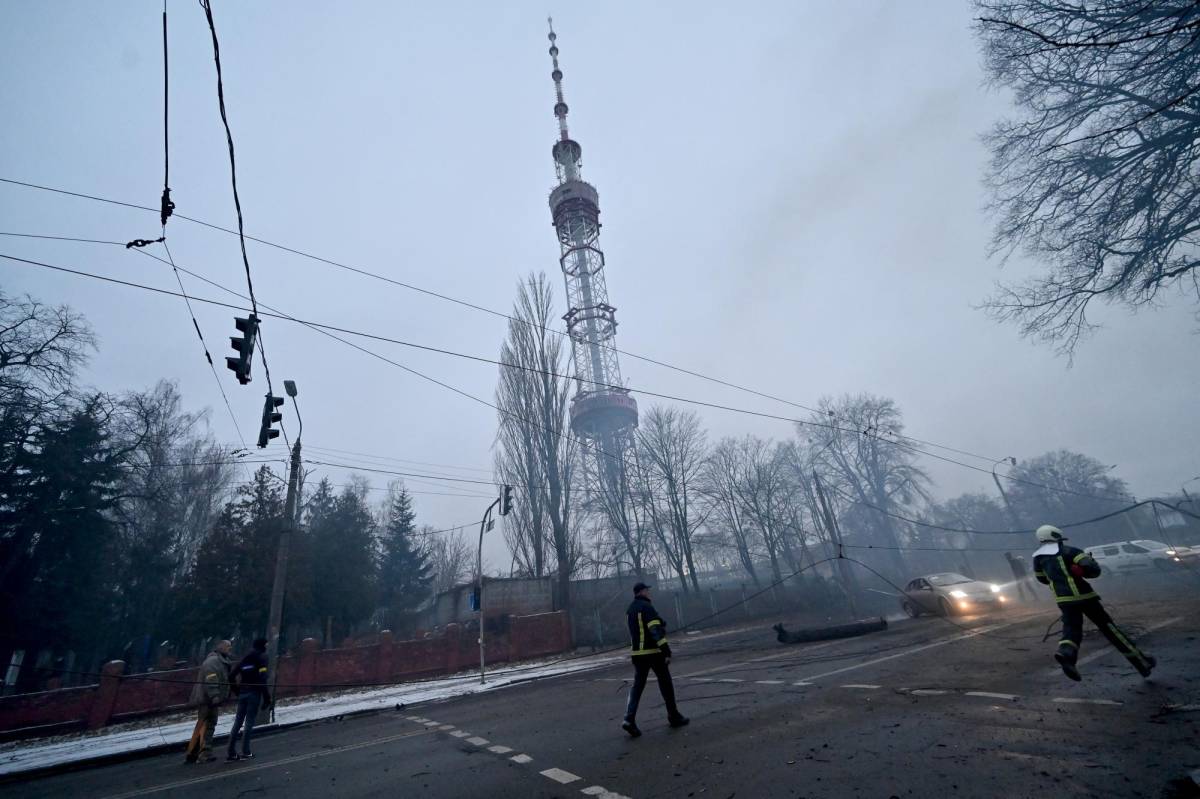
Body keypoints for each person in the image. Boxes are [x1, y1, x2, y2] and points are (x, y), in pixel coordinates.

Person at [1032, 525, 1156, 682]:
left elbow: (1041, 579)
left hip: (1064, 600)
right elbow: (1093, 570)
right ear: (1057, 536)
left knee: (1071, 629)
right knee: (1110, 629)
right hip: (1085, 597)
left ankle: (1067, 654)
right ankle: (1142, 662)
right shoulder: (1071, 551)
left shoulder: (1038, 558)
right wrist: (1082, 570)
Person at [622, 582, 688, 737]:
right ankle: (674, 716)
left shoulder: (630, 609)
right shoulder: (647, 607)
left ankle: (628, 719)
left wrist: (659, 622)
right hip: (652, 653)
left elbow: (640, 630)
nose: (649, 593)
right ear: (642, 592)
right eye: (647, 590)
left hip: (638, 654)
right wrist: (666, 650)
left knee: (637, 687)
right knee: (665, 682)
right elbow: (654, 631)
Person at [184, 640, 233, 764]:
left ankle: (197, 753)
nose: (229, 649)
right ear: (220, 647)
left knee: (207, 725)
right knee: (206, 725)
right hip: (207, 700)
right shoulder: (213, 662)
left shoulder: (219, 661)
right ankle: (200, 753)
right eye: (227, 647)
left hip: (210, 700)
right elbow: (211, 680)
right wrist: (215, 696)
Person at [227, 637, 273, 762]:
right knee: (249, 722)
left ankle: (231, 752)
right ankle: (245, 751)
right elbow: (262, 679)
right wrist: (267, 698)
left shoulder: (245, 658)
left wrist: (237, 690)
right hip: (254, 693)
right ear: (263, 645)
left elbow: (231, 676)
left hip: (243, 692)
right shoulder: (262, 657)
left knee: (237, 722)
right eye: (266, 644)